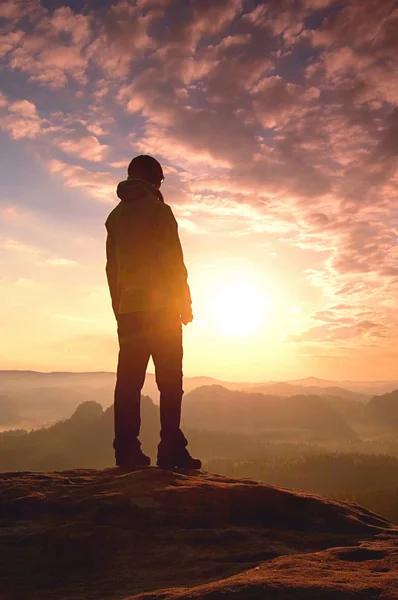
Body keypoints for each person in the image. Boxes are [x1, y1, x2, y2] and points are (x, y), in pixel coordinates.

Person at [105, 155, 201, 470]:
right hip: (161, 312)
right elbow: (173, 262)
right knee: (170, 382)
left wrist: (119, 309)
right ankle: (171, 449)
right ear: (153, 180)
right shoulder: (160, 212)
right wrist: (184, 304)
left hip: (129, 310)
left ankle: (126, 452)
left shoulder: (115, 217)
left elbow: (112, 270)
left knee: (129, 383)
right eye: (160, 181)